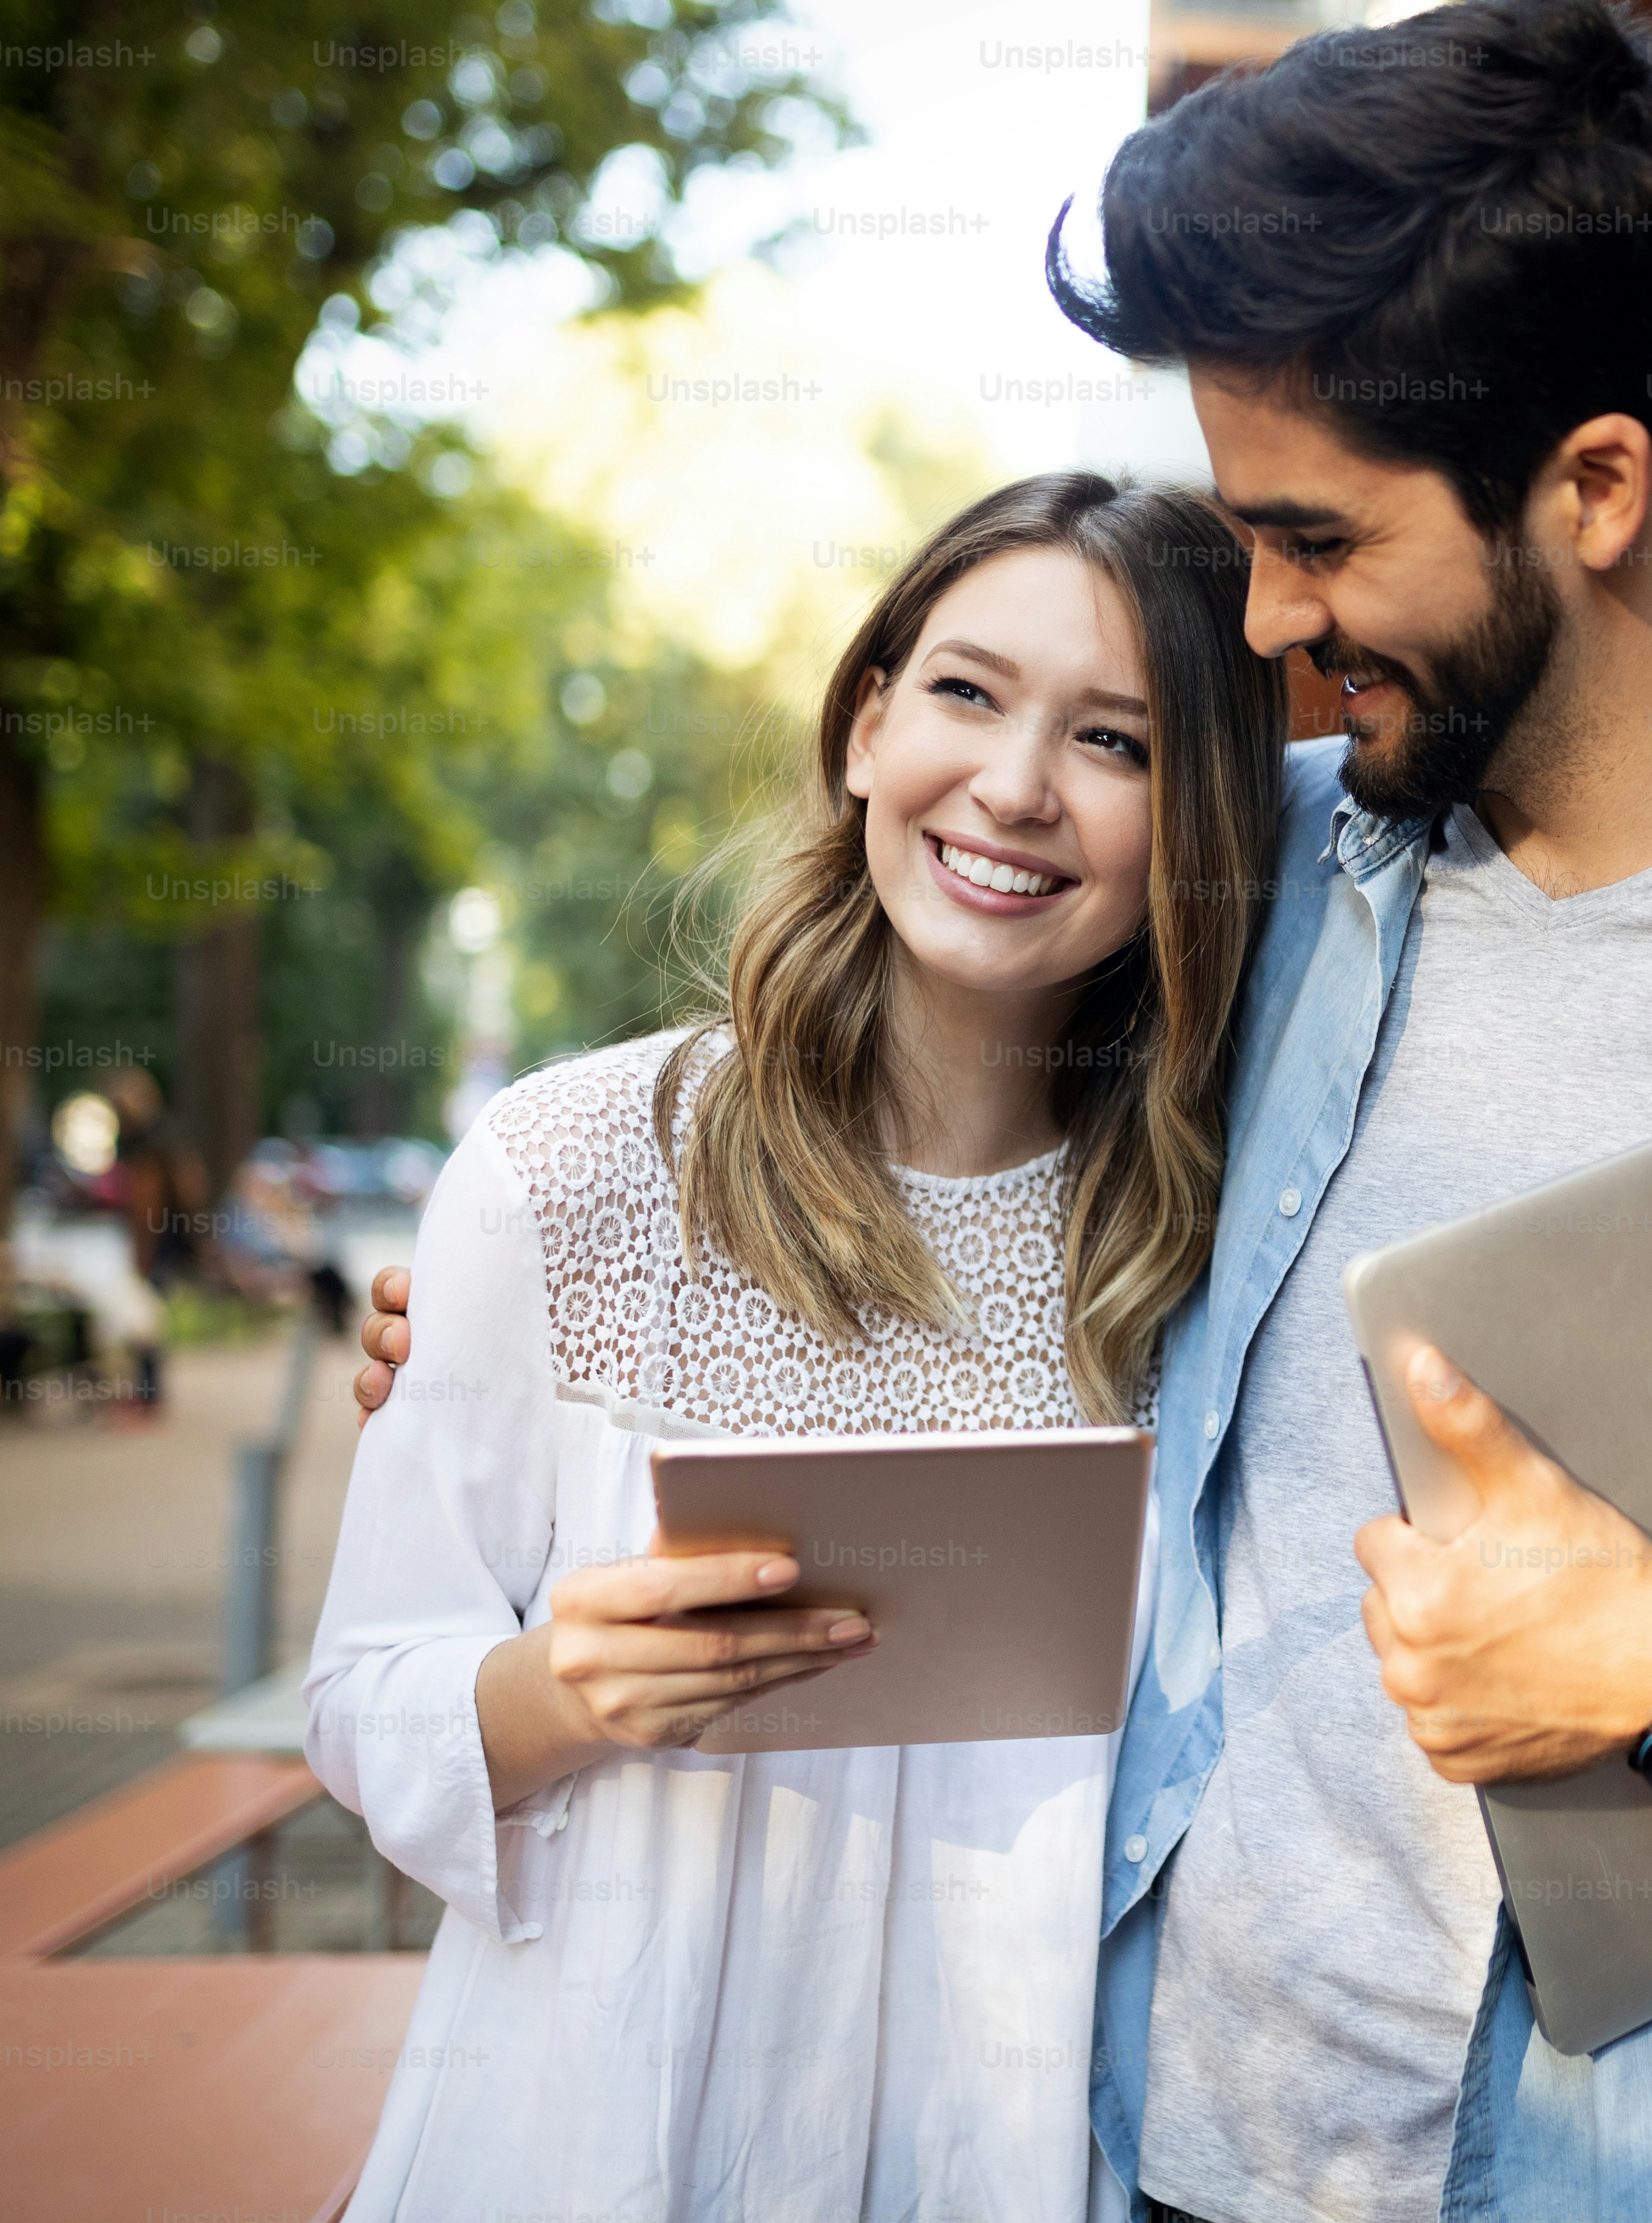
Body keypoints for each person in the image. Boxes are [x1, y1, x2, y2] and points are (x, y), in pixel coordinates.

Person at [363, 7, 1652, 2215]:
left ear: (1595, 488)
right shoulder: (1266, 876)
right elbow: (930, 1135)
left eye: (1316, 538)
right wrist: (542, 1309)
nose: (1261, 618)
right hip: (1154, 2151)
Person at [308, 475, 1283, 2218]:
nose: (1014, 786)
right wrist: (558, 1692)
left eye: (1117, 743)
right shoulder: (580, 1166)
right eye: (967, 693)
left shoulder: (1213, 1253)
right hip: (613, 2133)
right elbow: (364, 1691)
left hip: (1012, 2153)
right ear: (863, 725)